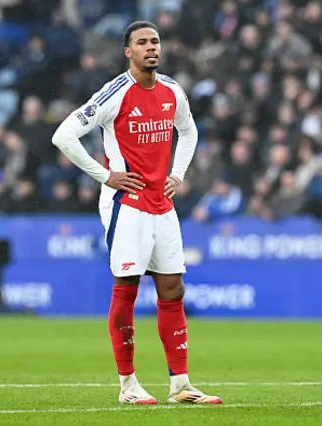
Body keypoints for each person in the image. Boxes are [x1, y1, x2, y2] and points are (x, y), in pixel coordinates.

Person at [51, 21, 222, 405]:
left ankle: (181, 384)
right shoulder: (115, 93)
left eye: (155, 41)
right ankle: (128, 385)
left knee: (173, 289)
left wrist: (177, 174)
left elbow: (190, 132)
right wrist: (106, 175)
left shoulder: (172, 91)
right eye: (142, 43)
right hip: (126, 204)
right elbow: (63, 135)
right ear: (128, 51)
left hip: (162, 204)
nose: (151, 48)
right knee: (127, 288)